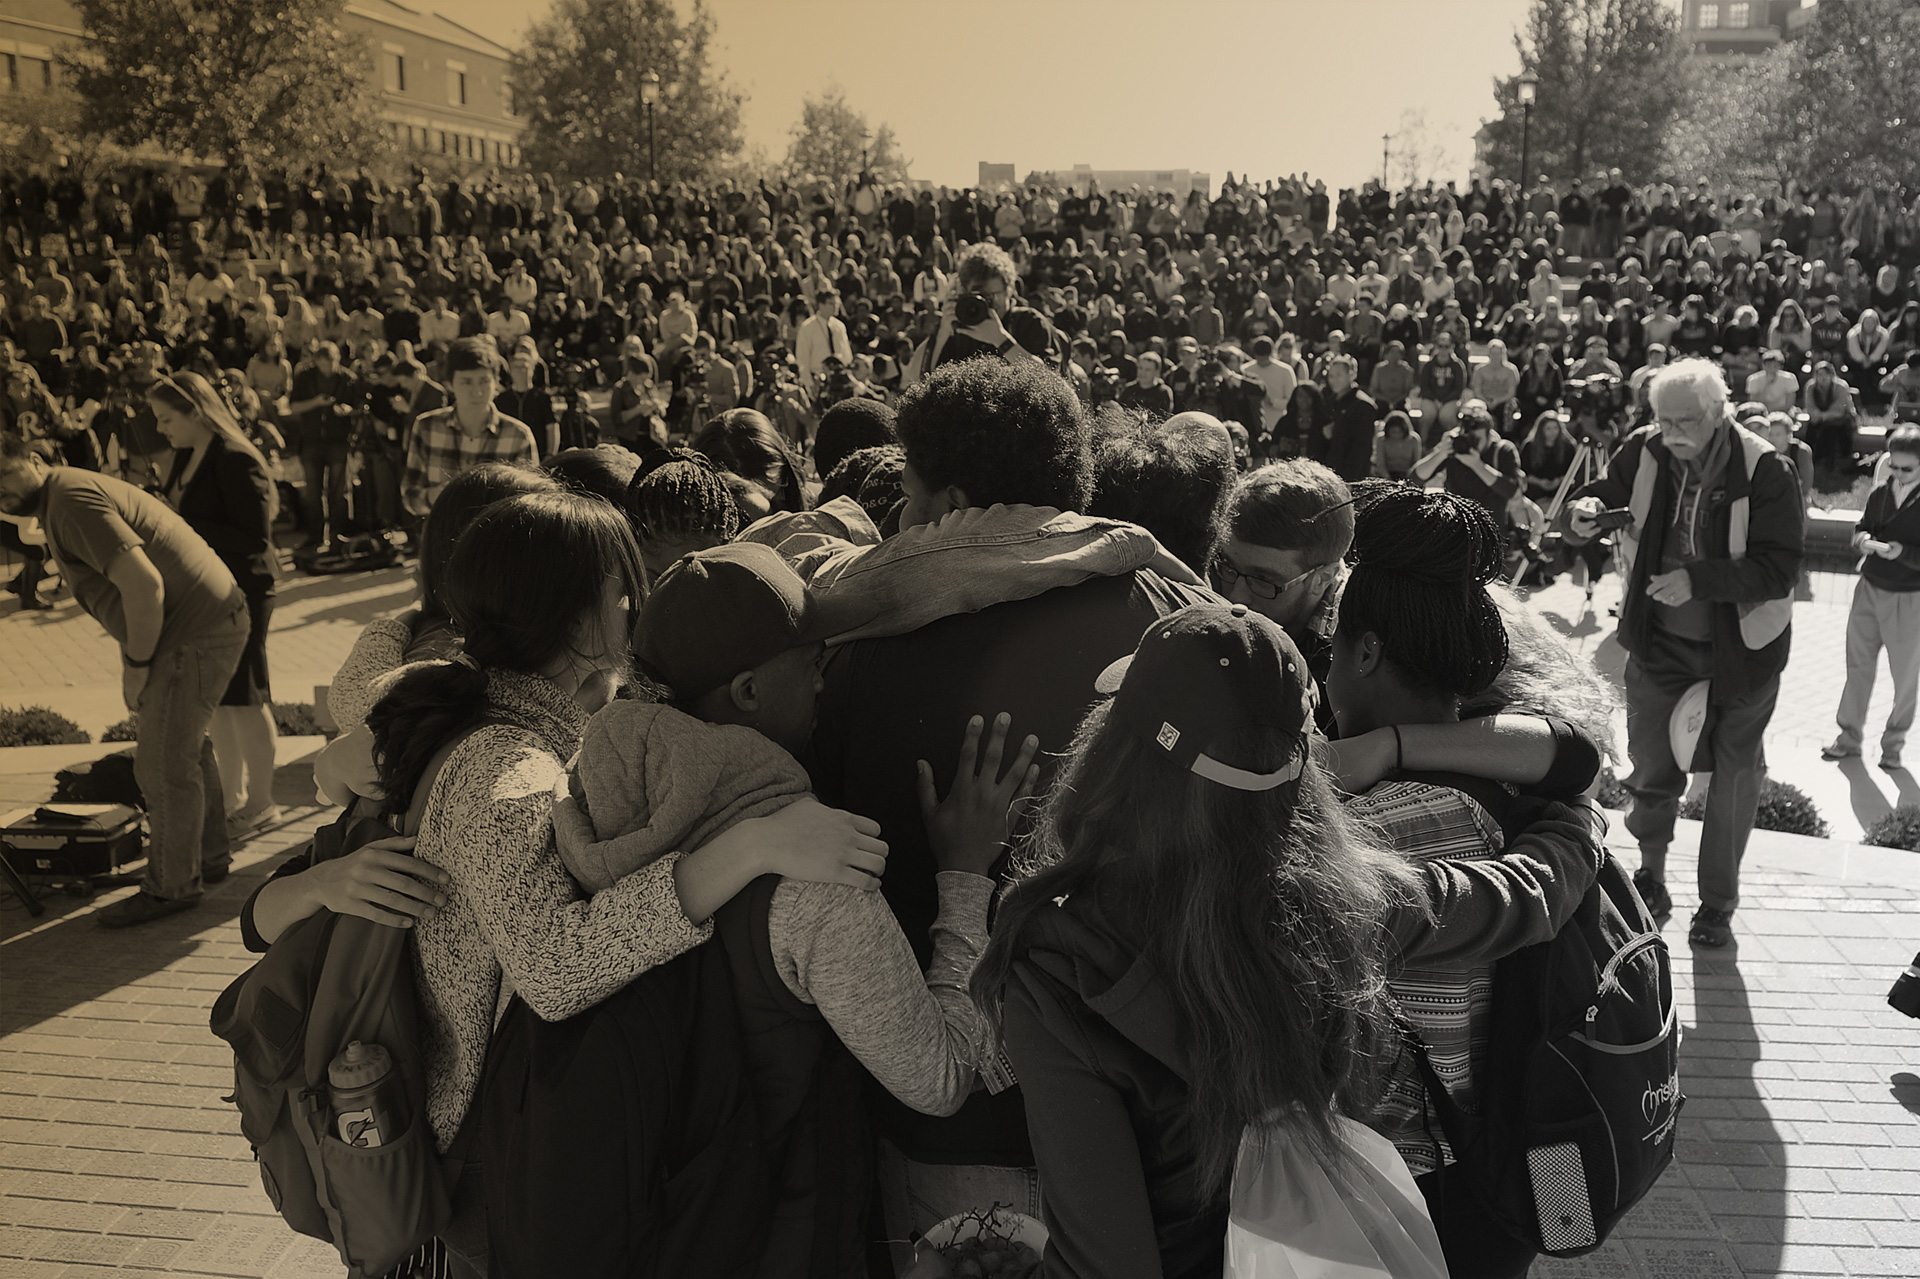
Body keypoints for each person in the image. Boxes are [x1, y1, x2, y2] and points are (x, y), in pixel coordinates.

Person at [251, 491, 887, 1273]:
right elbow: (554, 964)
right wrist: (750, 849)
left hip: (476, 1136)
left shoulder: (490, 710)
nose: (635, 603)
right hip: (486, 1153)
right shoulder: (506, 766)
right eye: (624, 589)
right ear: (583, 617)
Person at [810, 356, 1215, 1239]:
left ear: (951, 501)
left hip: (955, 1124)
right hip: (1151, 1103)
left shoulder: (859, 643)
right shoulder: (1164, 609)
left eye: (911, 494)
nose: (900, 520)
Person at [566, 543, 1034, 1275]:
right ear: (749, 690)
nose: (828, 679)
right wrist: (966, 872)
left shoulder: (591, 799)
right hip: (779, 1233)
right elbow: (938, 1075)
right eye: (813, 661)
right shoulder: (813, 875)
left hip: (656, 1218)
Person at [1567, 359, 1804, 949]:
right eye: (1661, 420)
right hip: (1660, 644)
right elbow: (1603, 500)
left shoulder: (1765, 468)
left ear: (1719, 411)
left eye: (1684, 422)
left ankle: (1717, 905)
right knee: (1652, 769)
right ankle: (1650, 875)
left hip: (1743, 655)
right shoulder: (1647, 449)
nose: (1671, 433)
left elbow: (1779, 570)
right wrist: (1585, 513)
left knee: (1733, 779)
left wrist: (1699, 581)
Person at [0, 433, 247, 927]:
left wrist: (136, 666)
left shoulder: (68, 499)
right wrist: (133, 660)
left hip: (191, 632)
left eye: (2, 476)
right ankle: (207, 859)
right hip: (204, 624)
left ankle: (171, 887)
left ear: (33, 458)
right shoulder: (64, 495)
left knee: (161, 765)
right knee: (185, 747)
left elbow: (144, 584)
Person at [149, 372, 282, 837]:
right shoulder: (187, 455)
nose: (162, 428)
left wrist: (182, 525)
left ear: (196, 412)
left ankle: (263, 802)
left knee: (246, 697)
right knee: (221, 702)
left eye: (167, 418)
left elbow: (253, 537)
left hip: (245, 589)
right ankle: (233, 799)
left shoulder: (235, 458)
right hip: (210, 593)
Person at [1824, 426, 1920, 772]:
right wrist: (1862, 539)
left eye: (1907, 469)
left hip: (1909, 599)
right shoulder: (1880, 492)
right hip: (1869, 589)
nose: (1897, 473)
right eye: (1893, 465)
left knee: (1905, 678)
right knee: (1857, 668)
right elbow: (1861, 526)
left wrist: (1903, 553)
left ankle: (1893, 745)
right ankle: (1848, 738)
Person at [400, 336, 539, 517]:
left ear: (496, 382)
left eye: (484, 381)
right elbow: (410, 497)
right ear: (450, 384)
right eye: (466, 381)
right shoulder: (426, 427)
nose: (477, 391)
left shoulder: (518, 436)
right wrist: (438, 495)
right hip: (440, 540)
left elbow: (532, 507)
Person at [1410, 398, 1523, 524]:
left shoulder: (1503, 450)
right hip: (1457, 528)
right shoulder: (1455, 448)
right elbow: (1414, 479)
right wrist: (1440, 454)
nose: (1471, 443)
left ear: (1489, 435)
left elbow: (1512, 491)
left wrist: (1477, 465)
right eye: (1468, 438)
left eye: (1476, 439)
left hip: (1491, 527)